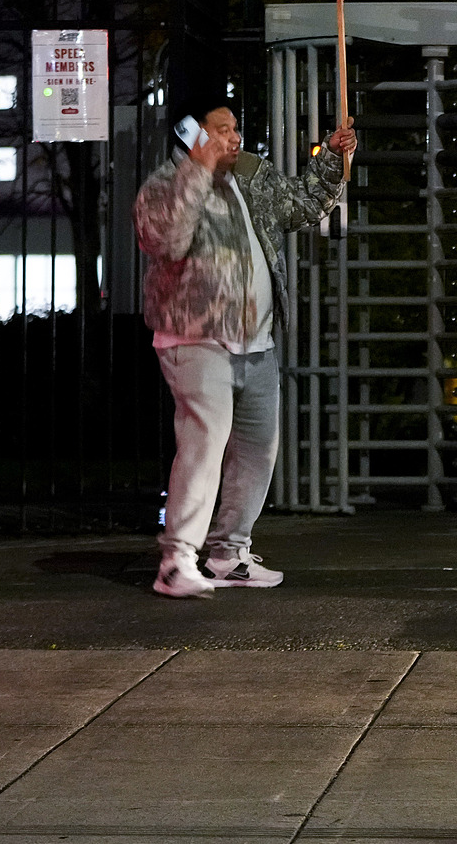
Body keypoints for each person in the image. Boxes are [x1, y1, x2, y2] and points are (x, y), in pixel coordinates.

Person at [134, 97, 353, 598]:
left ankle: (228, 554)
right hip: (196, 339)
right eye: (221, 130)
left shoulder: (251, 180)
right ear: (193, 137)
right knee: (206, 440)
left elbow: (302, 203)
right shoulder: (165, 186)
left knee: (256, 450)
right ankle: (176, 560)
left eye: (235, 129)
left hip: (256, 341)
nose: (234, 138)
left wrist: (332, 158)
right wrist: (198, 170)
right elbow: (166, 237)